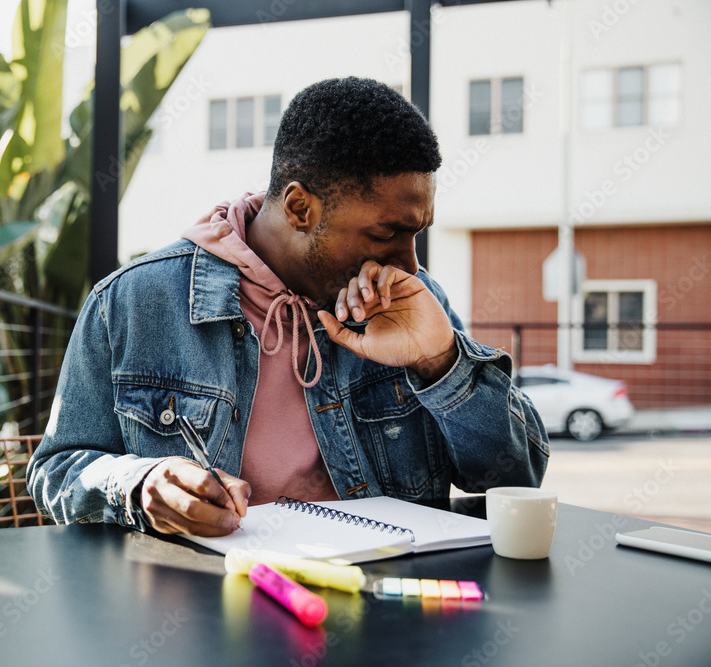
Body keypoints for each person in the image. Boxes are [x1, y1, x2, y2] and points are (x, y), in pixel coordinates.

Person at [28, 77, 549, 538]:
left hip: (390, 612)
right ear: (300, 207)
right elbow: (54, 470)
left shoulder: (413, 301)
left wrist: (441, 362)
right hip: (203, 618)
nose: (410, 264)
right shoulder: (132, 303)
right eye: (387, 232)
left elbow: (517, 477)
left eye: (417, 232)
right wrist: (139, 485)